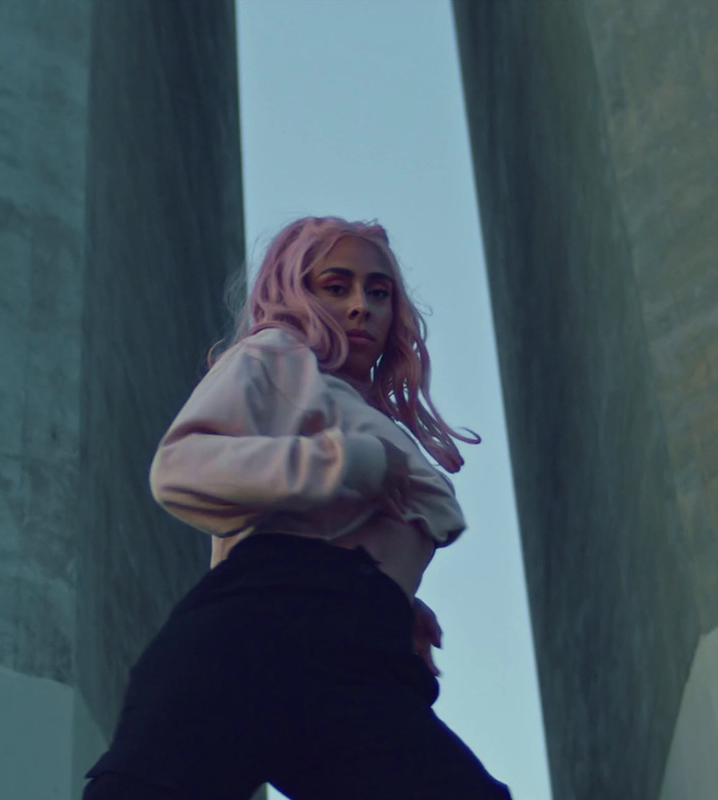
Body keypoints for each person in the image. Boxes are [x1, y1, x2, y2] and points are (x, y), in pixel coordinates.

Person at [83, 216, 513, 800]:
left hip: (359, 662)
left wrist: (396, 600)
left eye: (378, 292)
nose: (362, 306)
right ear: (295, 292)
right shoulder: (275, 357)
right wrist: (349, 462)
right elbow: (181, 467)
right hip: (258, 638)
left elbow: (312, 532)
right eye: (336, 287)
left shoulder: (360, 411)